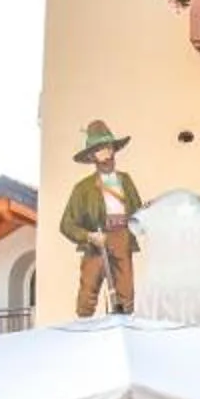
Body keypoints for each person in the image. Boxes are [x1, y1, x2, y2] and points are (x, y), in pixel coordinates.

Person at [60, 120, 145, 317]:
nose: (107, 155)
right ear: (92, 156)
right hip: (96, 242)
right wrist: (89, 236)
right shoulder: (82, 189)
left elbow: (137, 212)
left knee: (126, 298)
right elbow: (66, 224)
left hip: (123, 239)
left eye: (109, 149)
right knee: (87, 297)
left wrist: (145, 214)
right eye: (100, 151)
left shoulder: (126, 180)